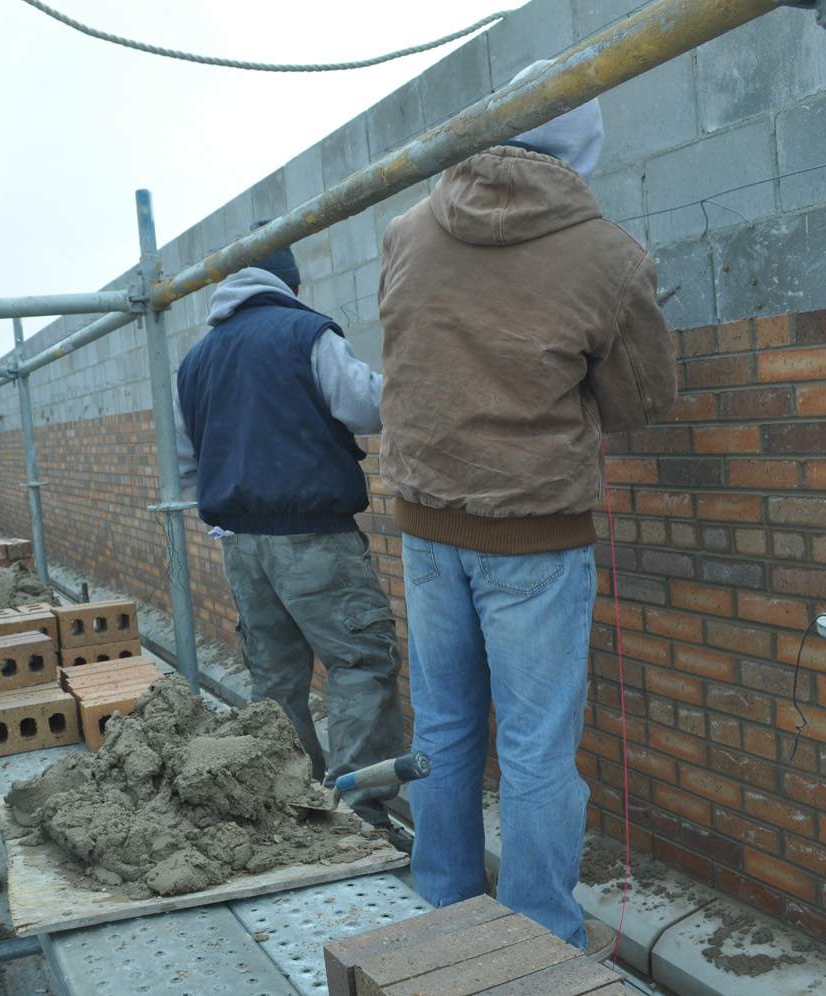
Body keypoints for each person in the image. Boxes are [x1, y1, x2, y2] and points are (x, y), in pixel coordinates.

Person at [377, 60, 677, 954]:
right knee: (539, 750)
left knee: (444, 728)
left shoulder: (405, 231)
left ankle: (447, 914)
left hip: (427, 529)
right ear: (580, 149)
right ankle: (541, 936)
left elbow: (408, 360)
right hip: (535, 540)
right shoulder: (609, 255)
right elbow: (638, 403)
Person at [174, 230, 405, 830]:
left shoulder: (195, 361)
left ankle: (294, 804)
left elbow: (184, 461)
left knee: (275, 678)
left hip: (242, 544)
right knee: (358, 662)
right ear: (290, 285)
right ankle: (358, 808)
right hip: (312, 536)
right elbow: (365, 408)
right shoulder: (305, 331)